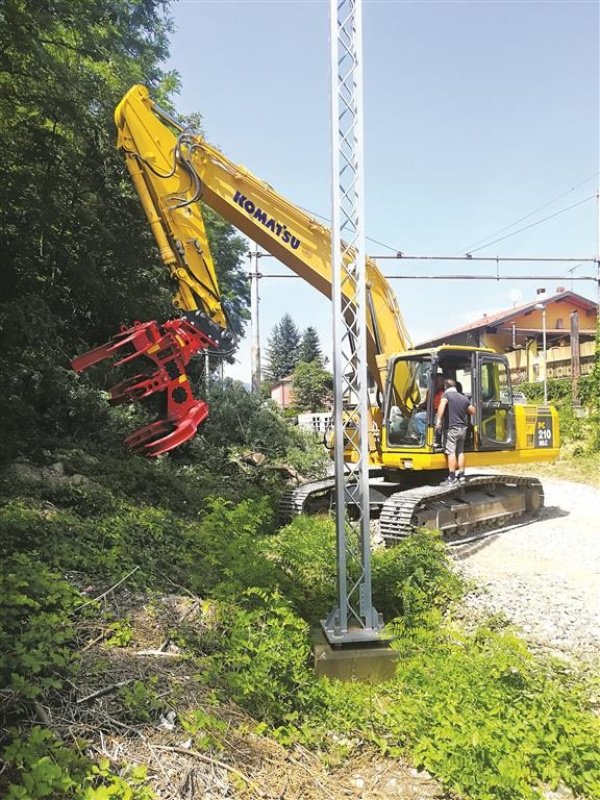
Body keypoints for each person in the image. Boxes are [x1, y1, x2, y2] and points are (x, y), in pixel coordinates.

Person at [435, 378, 475, 486]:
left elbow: (441, 407)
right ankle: (462, 476)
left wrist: (438, 421)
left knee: (451, 452)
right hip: (462, 429)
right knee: (460, 452)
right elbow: (472, 411)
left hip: (452, 429)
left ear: (445, 387)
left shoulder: (446, 396)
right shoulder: (463, 397)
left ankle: (452, 478)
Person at [412, 373, 444, 440]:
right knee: (417, 415)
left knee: (418, 417)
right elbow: (427, 403)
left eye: (440, 381)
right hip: (432, 413)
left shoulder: (444, 393)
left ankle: (427, 435)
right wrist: (418, 406)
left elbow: (439, 408)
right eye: (437, 381)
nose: (438, 383)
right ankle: (422, 435)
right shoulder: (430, 392)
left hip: (439, 415)